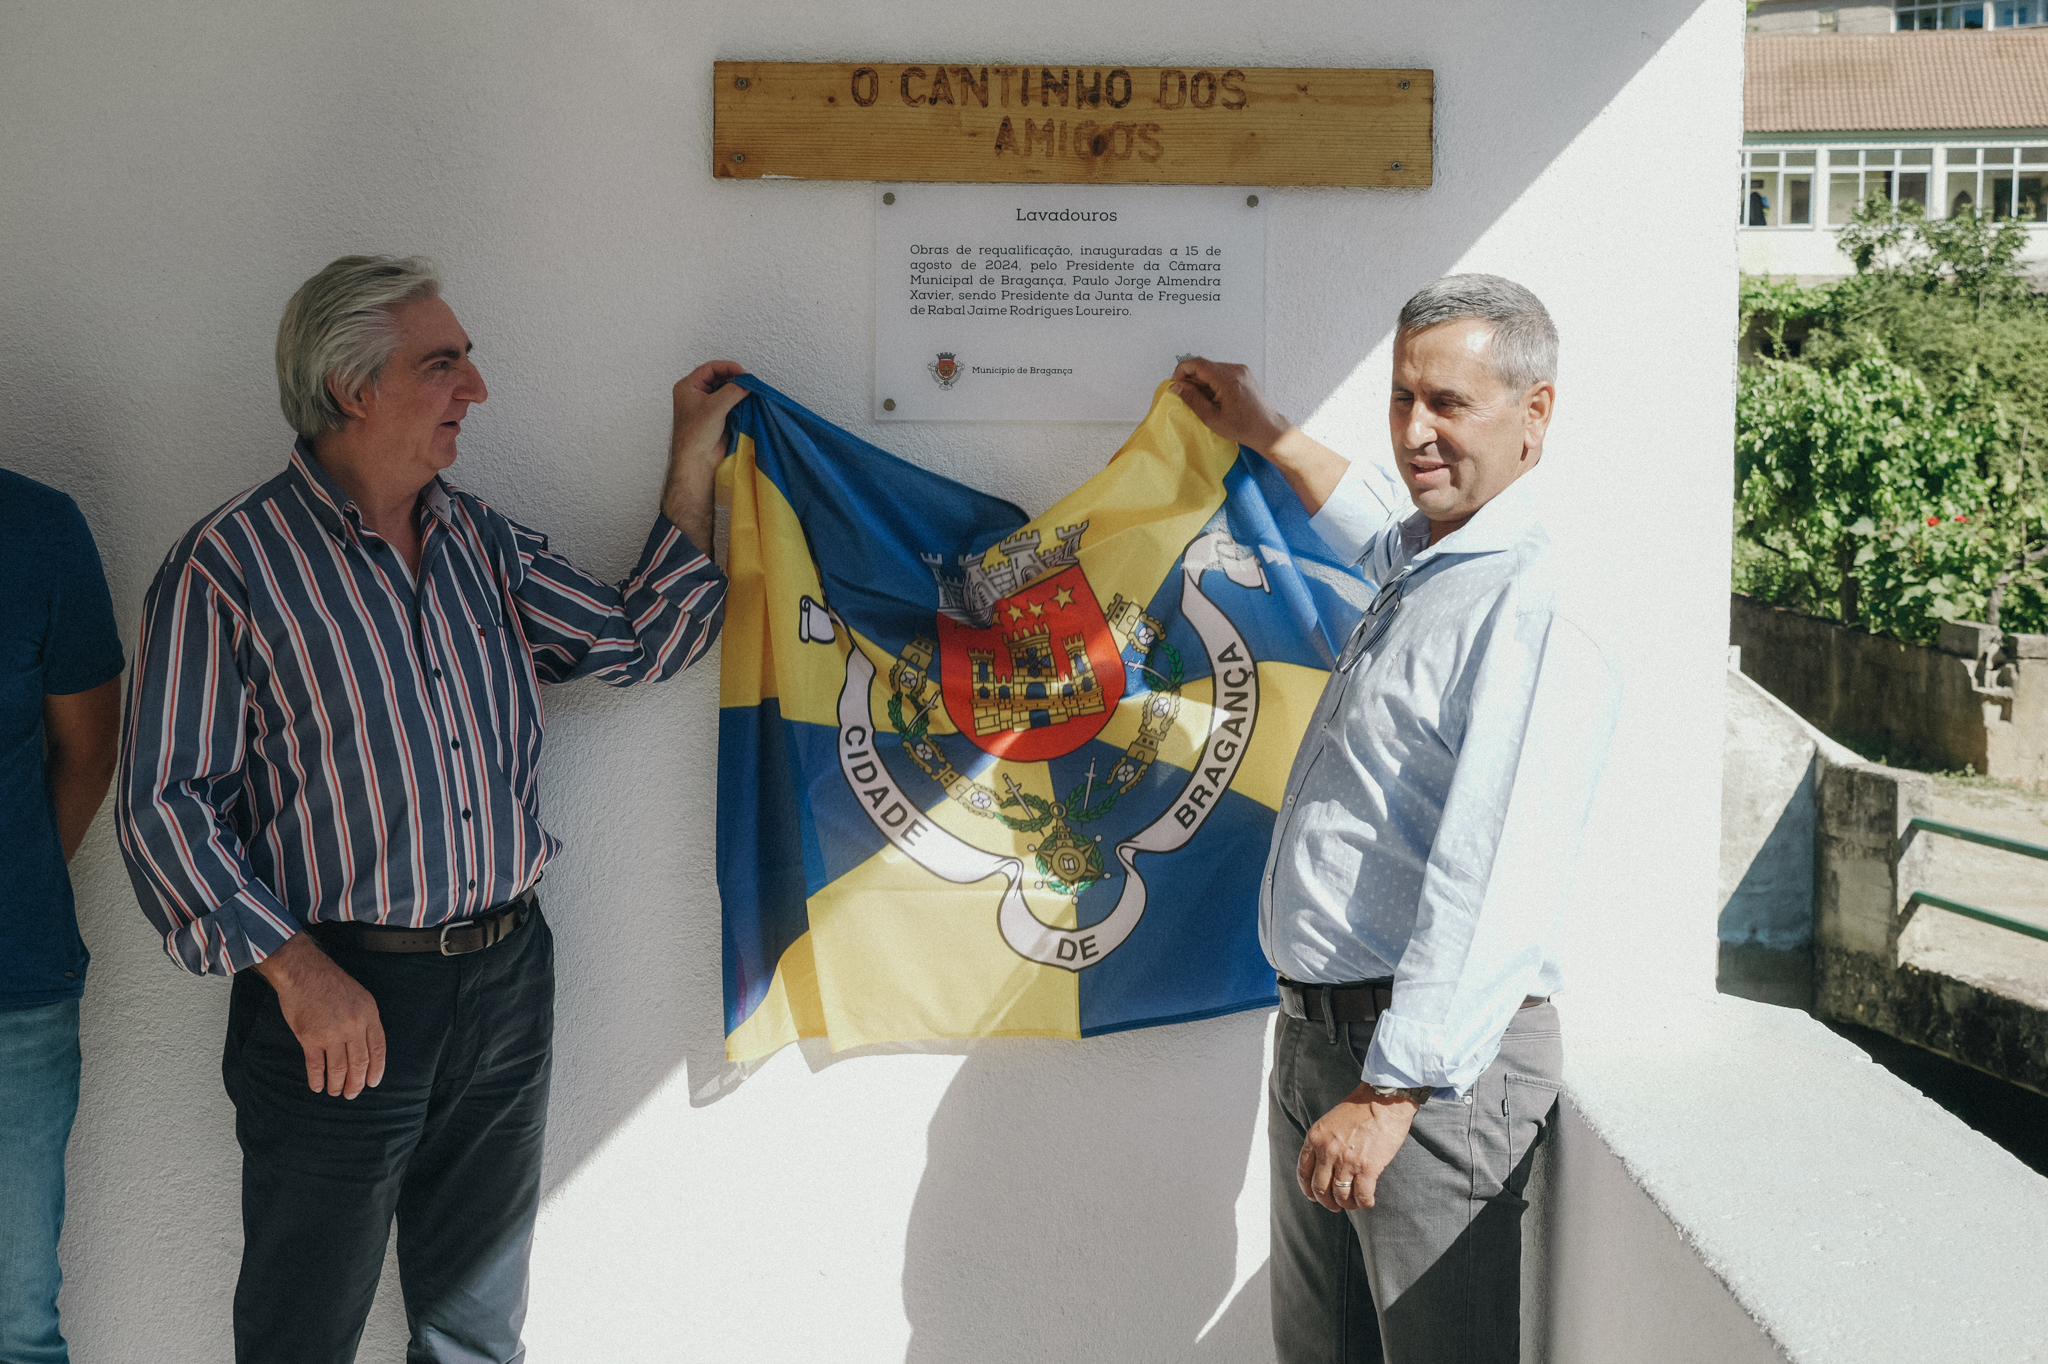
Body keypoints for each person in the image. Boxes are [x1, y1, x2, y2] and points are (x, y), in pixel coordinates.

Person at [116, 255, 742, 1364]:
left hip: (507, 977)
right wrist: (300, 975)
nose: (477, 390)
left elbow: (642, 638)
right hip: (341, 993)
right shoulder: (229, 567)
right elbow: (164, 805)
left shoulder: (481, 545)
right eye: (443, 364)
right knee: (301, 1330)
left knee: (476, 1328)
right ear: (353, 390)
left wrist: (689, 454)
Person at [1170, 274, 1620, 1364]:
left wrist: (1390, 1087)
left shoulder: (1526, 606)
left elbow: (1493, 872)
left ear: (1535, 413)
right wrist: (1265, 431)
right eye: (1401, 398)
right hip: (1328, 1043)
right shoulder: (1433, 562)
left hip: (1426, 1073)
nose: (1417, 432)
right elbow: (1374, 515)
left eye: (1450, 405)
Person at [0, 469, 124, 1364]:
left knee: (18, 1324)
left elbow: (89, 748)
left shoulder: (39, 531)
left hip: (14, 995)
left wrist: (21, 880)